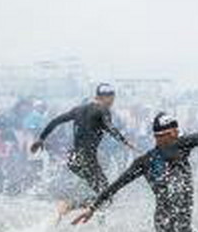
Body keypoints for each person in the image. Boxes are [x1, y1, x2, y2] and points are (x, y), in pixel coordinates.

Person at [31, 84, 135, 215]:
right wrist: (125, 141)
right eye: (111, 98)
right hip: (87, 159)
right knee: (106, 196)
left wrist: (41, 138)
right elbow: (109, 126)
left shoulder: (78, 110)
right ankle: (69, 205)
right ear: (105, 97)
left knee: (100, 193)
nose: (112, 101)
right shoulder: (103, 110)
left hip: (73, 159)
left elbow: (56, 121)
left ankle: (80, 208)